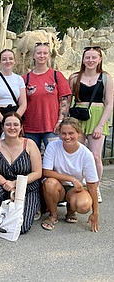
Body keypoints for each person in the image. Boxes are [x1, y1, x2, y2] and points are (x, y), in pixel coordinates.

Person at [68, 46, 113, 203]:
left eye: (94, 57)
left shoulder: (106, 78)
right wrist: (64, 120)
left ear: (100, 59)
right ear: (83, 59)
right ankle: (76, 186)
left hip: (97, 117)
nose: (91, 60)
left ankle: (95, 187)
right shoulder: (74, 78)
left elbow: (109, 103)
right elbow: (67, 102)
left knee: (95, 156)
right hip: (78, 117)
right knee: (76, 154)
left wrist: (101, 125)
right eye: (88, 57)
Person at [41, 118, 99, 232]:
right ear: (59, 133)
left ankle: (71, 210)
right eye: (64, 133)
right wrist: (71, 179)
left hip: (76, 189)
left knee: (84, 205)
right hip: (58, 186)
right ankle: (53, 215)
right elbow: (46, 172)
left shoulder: (86, 154)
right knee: (49, 183)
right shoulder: (53, 146)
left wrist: (95, 213)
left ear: (79, 133)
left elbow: (92, 185)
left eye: (71, 133)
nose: (67, 137)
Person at [0, 112, 42, 233]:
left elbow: (37, 172)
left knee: (20, 228)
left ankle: (31, 207)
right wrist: (8, 185)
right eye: (8, 124)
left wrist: (15, 184)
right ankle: (1, 208)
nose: (12, 128)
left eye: (16, 125)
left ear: (21, 127)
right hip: (4, 186)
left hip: (27, 188)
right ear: (2, 127)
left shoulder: (30, 144)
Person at [22, 42, 72, 149]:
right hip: (30, 128)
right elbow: (21, 103)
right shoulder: (25, 78)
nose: (42, 56)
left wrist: (60, 121)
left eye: (45, 53)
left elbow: (64, 101)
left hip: (52, 127)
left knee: (54, 159)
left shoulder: (56, 75)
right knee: (32, 160)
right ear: (34, 55)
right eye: (39, 53)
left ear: (49, 55)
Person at [0, 49, 27, 145]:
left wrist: (15, 119)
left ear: (14, 61)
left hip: (14, 114)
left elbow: (23, 103)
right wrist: (3, 120)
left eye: (10, 59)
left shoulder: (19, 79)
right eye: (4, 59)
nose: (8, 61)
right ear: (0, 62)